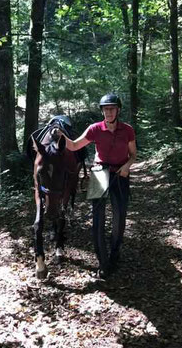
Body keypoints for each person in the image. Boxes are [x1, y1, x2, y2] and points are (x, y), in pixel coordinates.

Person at [61, 93, 137, 278]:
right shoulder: (94, 129)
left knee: (120, 215)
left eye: (112, 108)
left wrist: (127, 166)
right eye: (105, 109)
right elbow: (73, 146)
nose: (108, 112)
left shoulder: (127, 130)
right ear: (102, 111)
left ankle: (115, 252)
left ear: (118, 110)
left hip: (120, 173)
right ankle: (103, 262)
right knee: (98, 219)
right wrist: (59, 134)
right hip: (99, 173)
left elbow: (133, 154)